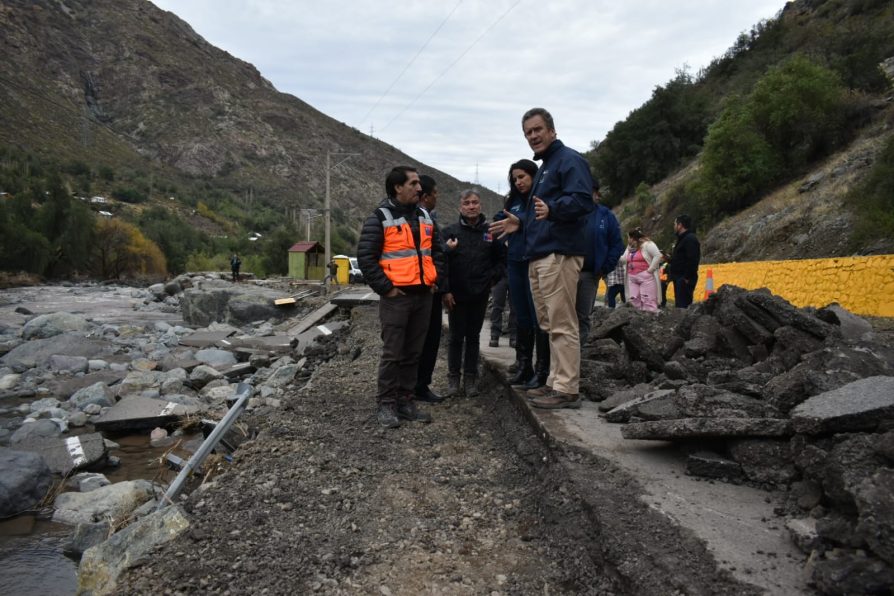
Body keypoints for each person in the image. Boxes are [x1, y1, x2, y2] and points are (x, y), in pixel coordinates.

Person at [491, 108, 594, 410]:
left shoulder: (569, 160)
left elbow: (583, 200)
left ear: (552, 130)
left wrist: (553, 208)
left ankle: (567, 388)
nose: (533, 136)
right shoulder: (548, 165)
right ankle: (555, 382)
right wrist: (521, 224)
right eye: (528, 133)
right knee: (549, 322)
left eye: (538, 129)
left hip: (558, 253)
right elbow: (541, 212)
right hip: (540, 253)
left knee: (563, 322)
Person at [356, 166, 446, 428]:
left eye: (419, 184)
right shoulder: (380, 218)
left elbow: (437, 252)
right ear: (398, 187)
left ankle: (405, 400)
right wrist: (386, 288)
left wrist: (434, 280)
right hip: (397, 297)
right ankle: (386, 404)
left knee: (413, 353)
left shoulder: (425, 217)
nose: (420, 188)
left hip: (423, 296)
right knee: (393, 353)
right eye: (414, 183)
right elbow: (366, 258)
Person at [491, 159, 549, 389]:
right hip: (514, 262)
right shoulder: (512, 201)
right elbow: (500, 219)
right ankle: (524, 365)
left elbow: (543, 224)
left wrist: (521, 222)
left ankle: (543, 369)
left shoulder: (539, 199)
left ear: (533, 176)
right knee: (521, 315)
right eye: (515, 178)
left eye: (522, 177)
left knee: (538, 317)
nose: (519, 182)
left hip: (534, 262)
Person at [441, 190, 505, 397]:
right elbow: (442, 263)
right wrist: (446, 290)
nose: (471, 206)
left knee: (474, 337)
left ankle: (471, 380)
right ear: (460, 206)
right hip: (456, 296)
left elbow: (502, 260)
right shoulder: (450, 232)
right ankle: (453, 380)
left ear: (480, 205)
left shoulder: (491, 233)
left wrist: (490, 279)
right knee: (456, 338)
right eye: (467, 203)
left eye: (475, 202)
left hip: (479, 294)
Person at [574, 180, 623, 346]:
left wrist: (605, 267)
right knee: (564, 314)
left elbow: (617, 244)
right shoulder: (571, 212)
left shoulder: (606, 216)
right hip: (567, 270)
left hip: (590, 274)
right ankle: (560, 355)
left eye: (591, 191)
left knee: (583, 314)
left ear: (596, 194)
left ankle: (579, 354)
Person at [414, 175, 446, 403]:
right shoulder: (413, 220)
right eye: (435, 194)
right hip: (417, 290)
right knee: (417, 341)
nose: (437, 198)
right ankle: (411, 387)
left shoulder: (430, 220)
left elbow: (437, 254)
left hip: (431, 288)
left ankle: (420, 386)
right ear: (425, 197)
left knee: (431, 339)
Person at [619, 228, 662, 313]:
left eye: (628, 237)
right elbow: (624, 260)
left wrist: (650, 270)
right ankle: (637, 321)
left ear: (632, 238)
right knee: (634, 300)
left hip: (646, 277)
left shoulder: (647, 245)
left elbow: (658, 255)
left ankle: (649, 319)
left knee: (648, 300)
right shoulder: (629, 248)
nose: (628, 240)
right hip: (632, 278)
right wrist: (615, 255)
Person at [668, 214, 701, 308]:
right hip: (678, 277)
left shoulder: (690, 239)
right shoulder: (681, 239)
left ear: (680, 225)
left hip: (683, 278)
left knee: (683, 306)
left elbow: (693, 260)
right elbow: (680, 258)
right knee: (679, 306)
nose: (674, 227)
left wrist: (687, 278)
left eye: (675, 224)